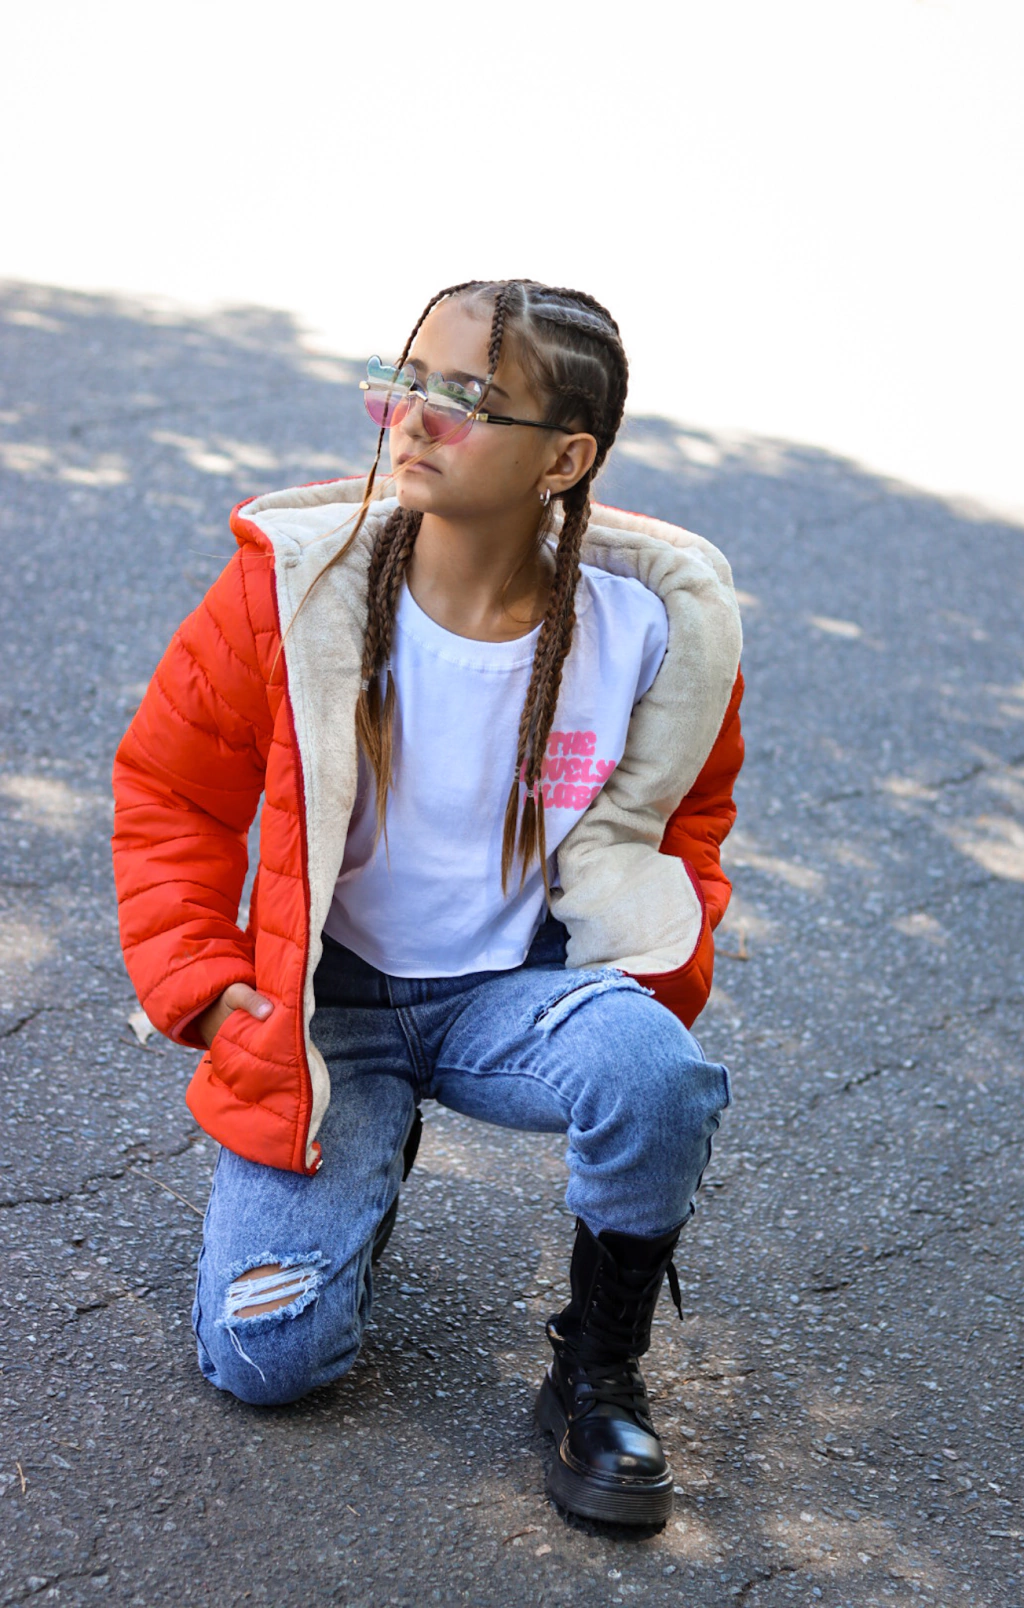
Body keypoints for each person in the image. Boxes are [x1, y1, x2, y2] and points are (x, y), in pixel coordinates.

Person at [111, 278, 744, 1527]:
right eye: (406, 380)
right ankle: (365, 1160)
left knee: (658, 1076)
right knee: (267, 1359)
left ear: (564, 459)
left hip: (513, 995)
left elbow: (686, 824)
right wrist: (207, 984)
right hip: (328, 1010)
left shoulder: (648, 631)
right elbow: (170, 792)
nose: (414, 416)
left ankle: (598, 1369)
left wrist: (644, 982)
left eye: (467, 398)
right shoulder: (296, 593)